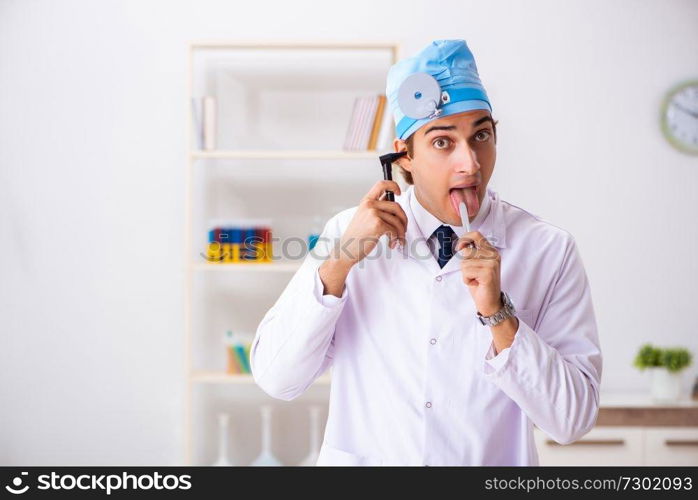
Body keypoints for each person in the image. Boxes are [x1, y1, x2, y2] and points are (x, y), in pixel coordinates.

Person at [250, 39, 603, 466]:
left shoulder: (549, 249)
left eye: (481, 135)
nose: (470, 163)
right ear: (405, 156)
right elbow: (276, 378)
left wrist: (498, 314)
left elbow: (572, 420)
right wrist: (339, 263)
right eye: (442, 142)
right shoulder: (348, 233)